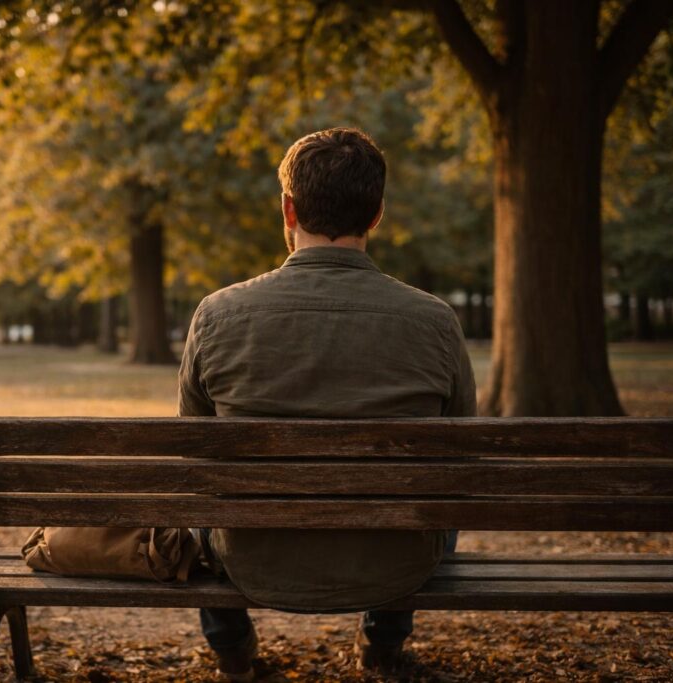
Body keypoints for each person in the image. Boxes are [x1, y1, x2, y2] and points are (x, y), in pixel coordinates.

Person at [177, 127, 476, 681]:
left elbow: (195, 453)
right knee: (431, 495)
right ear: (377, 213)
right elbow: (461, 459)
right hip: (396, 561)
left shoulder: (217, 315)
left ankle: (233, 653)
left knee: (204, 502)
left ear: (289, 210)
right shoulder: (435, 321)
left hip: (253, 559)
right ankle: (382, 647)